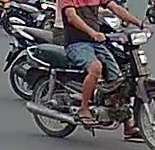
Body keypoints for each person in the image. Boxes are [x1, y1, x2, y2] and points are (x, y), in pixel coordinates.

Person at [59, 0, 145, 141]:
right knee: (95, 67)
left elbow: (115, 8)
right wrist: (92, 33)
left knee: (119, 79)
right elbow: (71, 17)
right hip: (76, 44)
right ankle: (84, 108)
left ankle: (128, 125)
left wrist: (140, 23)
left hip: (97, 42)